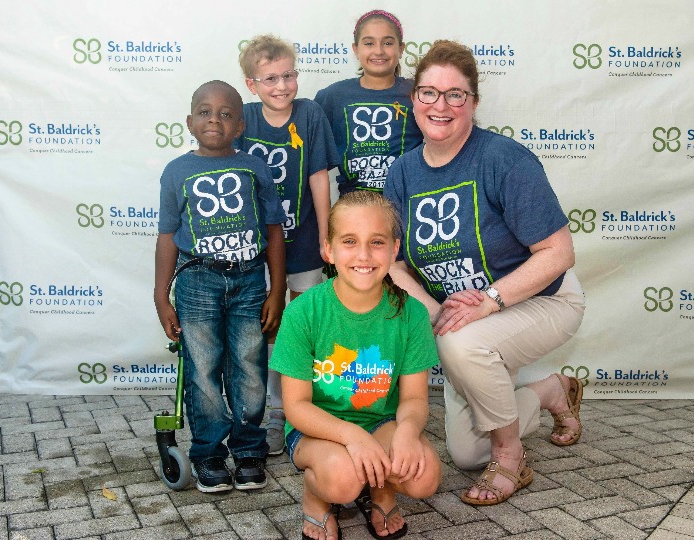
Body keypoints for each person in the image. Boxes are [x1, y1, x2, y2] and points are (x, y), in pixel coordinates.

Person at [383, 41, 586, 506]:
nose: (441, 105)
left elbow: (558, 252)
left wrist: (489, 301)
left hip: (542, 301)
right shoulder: (403, 173)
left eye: (456, 94)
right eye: (429, 92)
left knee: (460, 345)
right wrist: (437, 311)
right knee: (467, 453)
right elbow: (392, 262)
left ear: (473, 102)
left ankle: (512, 459)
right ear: (413, 99)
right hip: (465, 321)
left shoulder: (503, 159)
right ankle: (553, 390)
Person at [270, 191, 441, 539]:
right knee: (344, 480)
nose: (363, 255)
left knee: (424, 478)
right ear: (328, 249)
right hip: (317, 429)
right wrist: (352, 436)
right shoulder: (304, 312)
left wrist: (407, 432)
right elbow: (297, 406)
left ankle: (380, 490)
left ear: (394, 249)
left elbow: (413, 399)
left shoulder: (412, 313)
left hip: (381, 421)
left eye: (376, 242)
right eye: (349, 241)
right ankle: (316, 500)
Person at [154, 80, 287, 493]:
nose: (216, 119)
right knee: (203, 367)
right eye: (206, 112)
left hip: (249, 278)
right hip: (197, 279)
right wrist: (161, 296)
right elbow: (166, 236)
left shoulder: (255, 167)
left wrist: (277, 288)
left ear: (240, 125)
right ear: (190, 122)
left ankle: (249, 449)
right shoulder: (176, 171)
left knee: (249, 364)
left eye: (226, 113)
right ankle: (209, 451)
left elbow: (273, 229)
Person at [237, 35, 339, 456]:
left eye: (289, 75)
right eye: (270, 78)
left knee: (299, 321)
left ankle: (293, 408)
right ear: (251, 84)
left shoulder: (310, 113)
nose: (281, 86)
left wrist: (328, 233)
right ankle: (263, 411)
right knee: (263, 323)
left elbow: (318, 176)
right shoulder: (240, 118)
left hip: (301, 240)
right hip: (251, 244)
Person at [314, 9, 422, 195]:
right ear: (356, 49)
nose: (378, 51)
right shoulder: (333, 96)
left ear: (401, 49)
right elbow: (312, 159)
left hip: (405, 205)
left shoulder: (418, 93)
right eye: (369, 43)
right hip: (352, 209)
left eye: (388, 43)